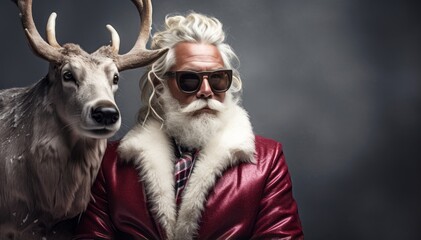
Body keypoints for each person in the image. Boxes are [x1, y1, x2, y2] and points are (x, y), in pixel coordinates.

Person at [73, 12, 304, 239]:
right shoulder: (111, 163)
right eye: (190, 80)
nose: (206, 91)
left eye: (218, 79)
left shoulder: (267, 161)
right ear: (159, 85)